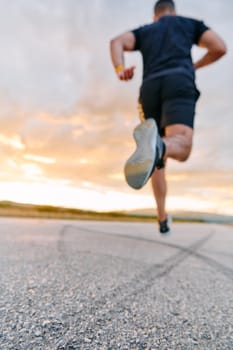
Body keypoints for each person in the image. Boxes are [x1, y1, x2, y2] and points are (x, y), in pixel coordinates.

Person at [110, 0, 227, 235]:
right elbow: (219, 47)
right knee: (181, 146)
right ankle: (158, 145)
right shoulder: (188, 24)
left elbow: (116, 42)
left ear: (156, 15)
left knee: (156, 162)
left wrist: (120, 70)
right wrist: (194, 66)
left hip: (149, 90)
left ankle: (162, 218)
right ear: (173, 10)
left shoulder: (146, 31)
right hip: (178, 82)